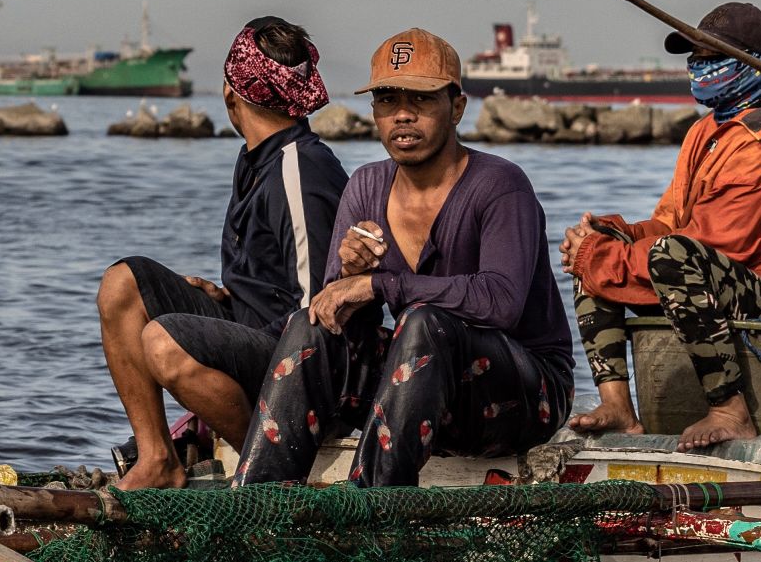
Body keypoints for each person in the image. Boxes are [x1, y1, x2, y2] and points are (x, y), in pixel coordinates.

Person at [241, 27, 573, 484]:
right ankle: (258, 508)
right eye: (386, 101)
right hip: (420, 390)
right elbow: (338, 317)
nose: (401, 116)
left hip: (520, 397)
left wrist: (380, 284)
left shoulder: (500, 185)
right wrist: (348, 277)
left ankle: (374, 515)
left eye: (419, 101)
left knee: (423, 320)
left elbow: (501, 302)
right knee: (310, 323)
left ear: (456, 107)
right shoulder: (366, 185)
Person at [561, 0, 761, 446]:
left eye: (714, 58)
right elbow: (670, 222)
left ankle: (730, 411)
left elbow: (714, 244)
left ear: (756, 67)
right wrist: (608, 236)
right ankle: (618, 406)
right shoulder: (707, 132)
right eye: (695, 58)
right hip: (732, 277)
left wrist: (610, 255)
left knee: (643, 257)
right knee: (598, 247)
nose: (699, 67)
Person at [91, 17, 349, 487]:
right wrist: (226, 302)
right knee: (122, 284)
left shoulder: (300, 169)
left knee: (164, 342)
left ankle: (269, 469)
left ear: (232, 93)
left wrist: (217, 330)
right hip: (258, 331)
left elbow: (320, 312)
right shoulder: (256, 158)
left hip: (306, 365)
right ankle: (159, 460)